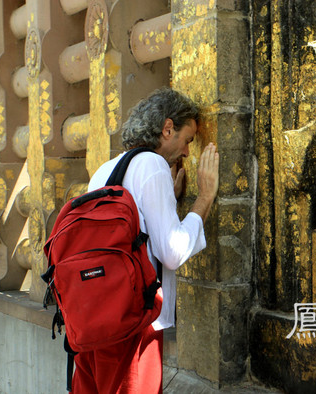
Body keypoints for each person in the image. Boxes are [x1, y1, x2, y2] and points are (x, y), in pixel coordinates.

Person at [72, 87, 219, 393]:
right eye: (188, 140)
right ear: (168, 129)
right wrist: (204, 198)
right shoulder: (153, 166)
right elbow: (173, 252)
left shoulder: (105, 169)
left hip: (93, 318)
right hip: (134, 324)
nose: (188, 152)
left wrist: (170, 201)